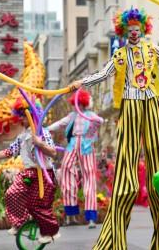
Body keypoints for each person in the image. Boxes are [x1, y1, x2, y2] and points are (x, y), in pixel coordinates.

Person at [69, 7, 159, 249]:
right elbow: (102, 74)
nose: (134, 34)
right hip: (131, 105)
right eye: (130, 31)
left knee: (158, 164)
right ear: (124, 32)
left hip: (150, 102)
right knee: (126, 168)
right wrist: (80, 82)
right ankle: (114, 240)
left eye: (137, 30)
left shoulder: (151, 48)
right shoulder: (120, 55)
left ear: (143, 30)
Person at [0, 98, 60, 244]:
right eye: (20, 116)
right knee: (11, 194)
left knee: (37, 206)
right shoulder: (22, 137)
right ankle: (19, 223)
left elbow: (53, 153)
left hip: (44, 174)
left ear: (32, 115)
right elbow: (8, 152)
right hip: (28, 173)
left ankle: (48, 233)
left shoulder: (43, 133)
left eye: (23, 116)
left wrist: (40, 143)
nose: (20, 119)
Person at [47, 89, 103, 229]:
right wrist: (46, 129)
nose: (77, 105)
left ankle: (91, 217)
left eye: (79, 103)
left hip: (86, 145)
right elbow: (60, 123)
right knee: (66, 170)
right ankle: (71, 214)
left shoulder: (90, 115)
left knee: (89, 176)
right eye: (76, 103)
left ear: (84, 103)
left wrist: (93, 122)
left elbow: (99, 120)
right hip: (73, 144)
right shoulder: (72, 116)